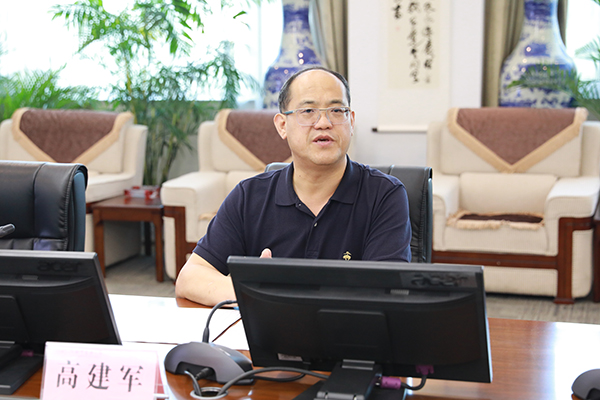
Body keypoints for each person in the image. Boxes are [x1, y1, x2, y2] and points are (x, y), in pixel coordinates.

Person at [175, 66, 412, 306]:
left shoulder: (384, 195)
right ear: (282, 125)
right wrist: (252, 292)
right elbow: (190, 277)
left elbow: (385, 291)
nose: (324, 123)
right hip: (267, 329)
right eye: (308, 111)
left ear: (350, 121)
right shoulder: (249, 196)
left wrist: (277, 295)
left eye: (336, 110)